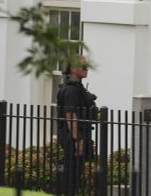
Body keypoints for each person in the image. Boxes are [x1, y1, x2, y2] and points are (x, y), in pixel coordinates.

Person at [56, 56, 98, 196]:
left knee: (76, 171)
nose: (86, 70)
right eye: (83, 67)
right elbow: (70, 115)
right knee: (71, 173)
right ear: (73, 69)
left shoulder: (77, 88)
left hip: (80, 135)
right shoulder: (70, 90)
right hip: (73, 137)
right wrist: (77, 140)